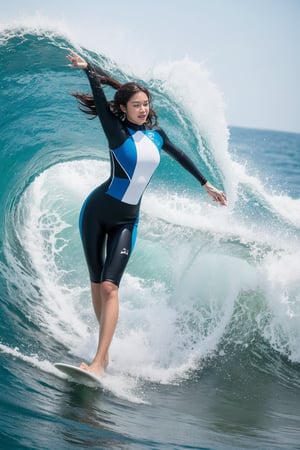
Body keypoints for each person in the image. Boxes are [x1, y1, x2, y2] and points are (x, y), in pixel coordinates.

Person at [67, 50, 227, 377]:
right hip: (95, 213)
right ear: (124, 108)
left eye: (146, 104)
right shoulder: (116, 132)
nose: (143, 110)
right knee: (97, 284)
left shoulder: (157, 136)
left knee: (111, 287)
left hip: (127, 220)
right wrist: (88, 71)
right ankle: (104, 355)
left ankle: (98, 362)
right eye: (137, 105)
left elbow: (180, 154)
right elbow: (100, 96)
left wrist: (205, 183)